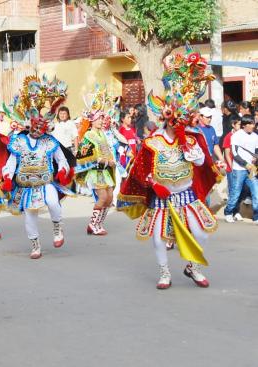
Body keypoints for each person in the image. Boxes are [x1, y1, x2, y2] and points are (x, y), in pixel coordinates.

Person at [118, 48, 220, 290]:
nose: (180, 124)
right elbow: (140, 170)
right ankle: (164, 272)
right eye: (177, 121)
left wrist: (185, 140)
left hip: (187, 196)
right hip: (163, 198)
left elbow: (199, 163)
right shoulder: (152, 141)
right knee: (158, 238)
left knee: (202, 233)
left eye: (184, 121)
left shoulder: (192, 140)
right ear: (167, 117)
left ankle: (192, 267)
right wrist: (154, 184)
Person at [1, 75, 73, 259]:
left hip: (46, 181)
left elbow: (61, 159)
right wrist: (8, 177)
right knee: (29, 216)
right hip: (25, 185)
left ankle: (57, 228)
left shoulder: (50, 142)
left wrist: (64, 171)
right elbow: (11, 162)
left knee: (52, 202)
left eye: (41, 128)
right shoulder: (19, 141)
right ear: (30, 124)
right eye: (35, 127)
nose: (37, 131)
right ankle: (35, 245)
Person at [76, 112, 116, 235]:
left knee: (109, 199)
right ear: (92, 121)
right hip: (95, 170)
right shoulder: (88, 135)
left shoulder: (102, 134)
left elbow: (107, 150)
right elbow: (84, 155)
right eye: (99, 119)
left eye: (102, 119)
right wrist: (103, 160)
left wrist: (112, 161)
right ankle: (93, 225)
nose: (101, 121)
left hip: (105, 170)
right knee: (103, 197)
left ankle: (98, 223)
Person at [223, 114, 258, 224]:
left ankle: (256, 216)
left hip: (251, 169)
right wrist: (245, 164)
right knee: (235, 193)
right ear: (244, 125)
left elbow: (256, 150)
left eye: (253, 123)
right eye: (250, 124)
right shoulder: (236, 136)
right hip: (239, 169)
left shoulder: (255, 136)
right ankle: (228, 212)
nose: (253, 125)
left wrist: (255, 158)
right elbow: (234, 153)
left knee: (256, 192)